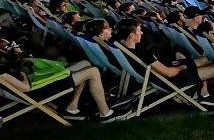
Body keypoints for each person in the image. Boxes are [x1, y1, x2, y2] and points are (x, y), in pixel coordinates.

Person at [113, 18, 214, 115]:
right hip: (173, 79)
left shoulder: (126, 50)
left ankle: (205, 94)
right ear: (132, 35)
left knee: (204, 60)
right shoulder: (143, 53)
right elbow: (169, 73)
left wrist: (177, 64)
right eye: (138, 31)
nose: (141, 32)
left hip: (164, 75)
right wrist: (181, 68)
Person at [0, 38, 131, 122]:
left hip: (40, 82)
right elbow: (25, 88)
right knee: (93, 72)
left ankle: (72, 107)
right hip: (41, 89)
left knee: (85, 63)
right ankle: (105, 113)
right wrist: (23, 73)